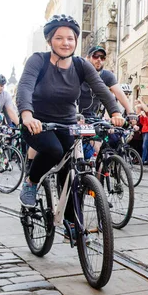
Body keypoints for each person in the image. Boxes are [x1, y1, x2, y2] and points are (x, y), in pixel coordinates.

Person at [16, 14, 124, 208]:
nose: (65, 43)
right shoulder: (38, 61)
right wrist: (26, 115)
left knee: (71, 169)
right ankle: (31, 182)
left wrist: (115, 113)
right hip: (37, 124)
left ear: (75, 41)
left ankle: (72, 224)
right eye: (59, 38)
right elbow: (25, 87)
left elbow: (101, 88)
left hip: (67, 123)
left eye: (70, 38)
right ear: (49, 40)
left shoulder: (80, 65)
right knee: (54, 150)